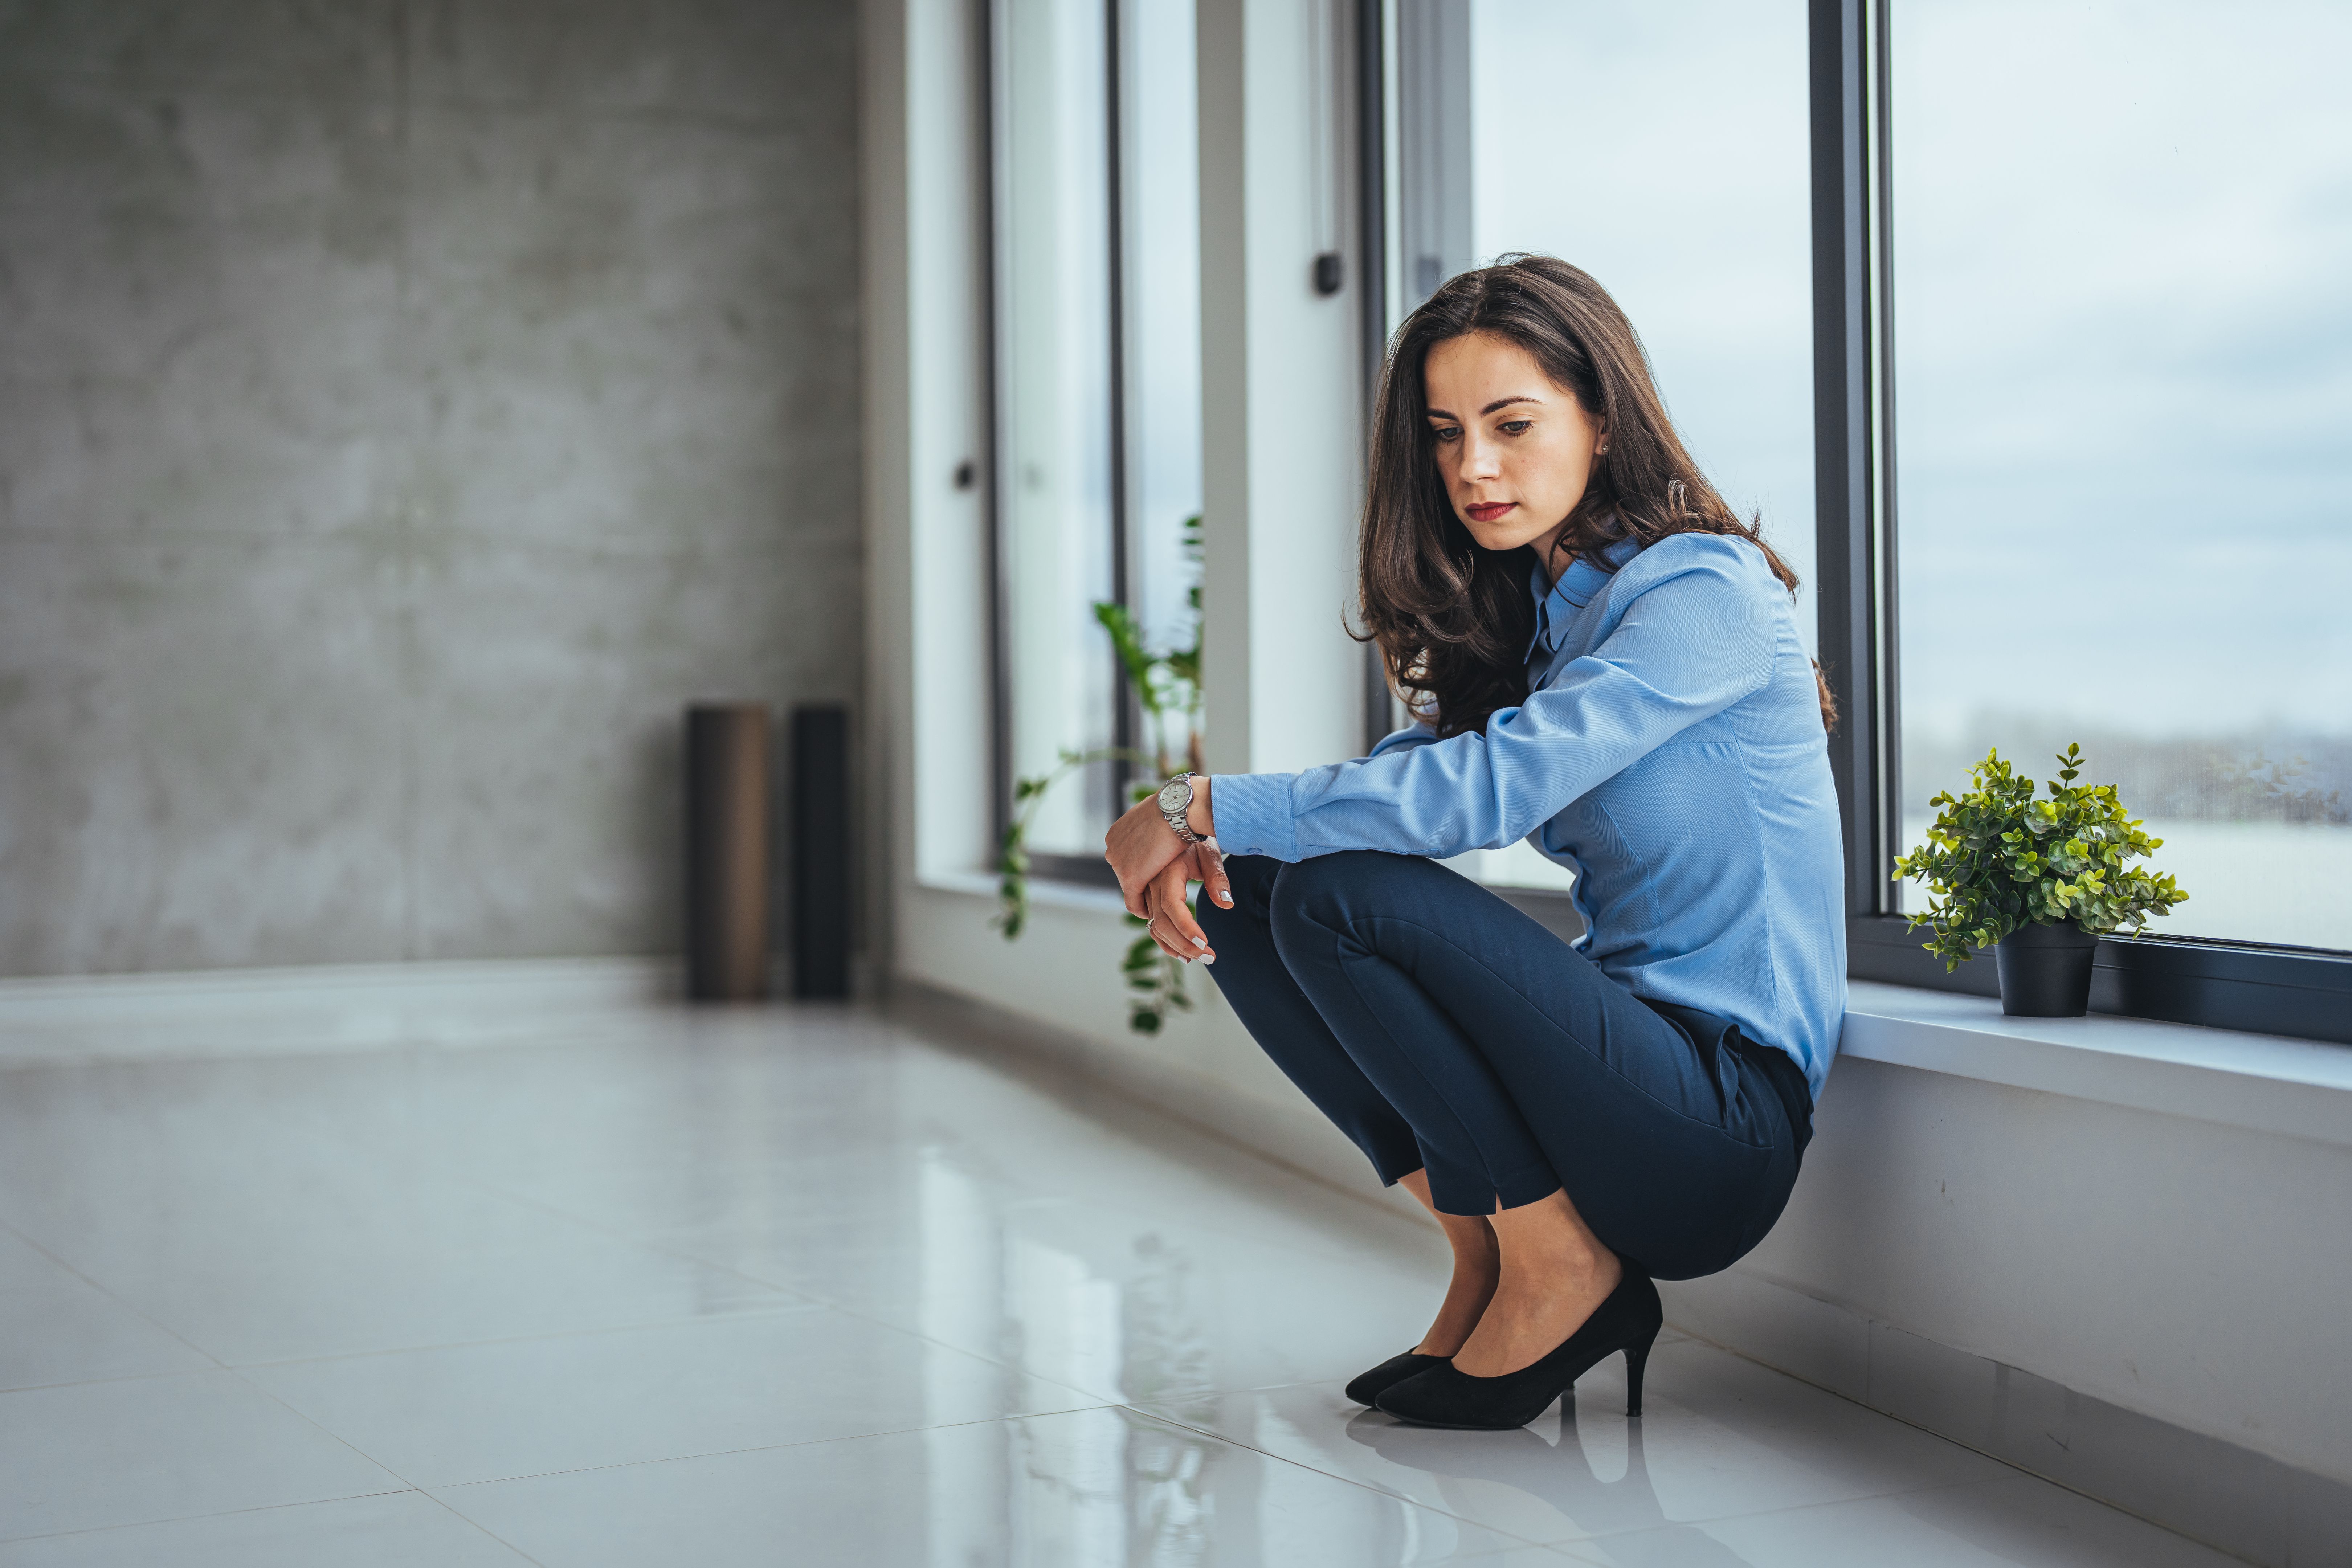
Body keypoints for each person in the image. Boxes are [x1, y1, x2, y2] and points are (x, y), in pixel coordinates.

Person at [1102, 255, 1846, 1432]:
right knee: (1266, 888)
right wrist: (1223, 833)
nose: (1474, 469)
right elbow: (1414, 775)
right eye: (1446, 436)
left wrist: (1195, 803)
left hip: (1716, 1122)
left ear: (1602, 421)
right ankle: (1492, 1252)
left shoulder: (1706, 591)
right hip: (1612, 1085)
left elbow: (1489, 791)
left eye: (1512, 424)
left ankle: (1567, 1270)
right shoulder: (1544, 619)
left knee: (1340, 898)